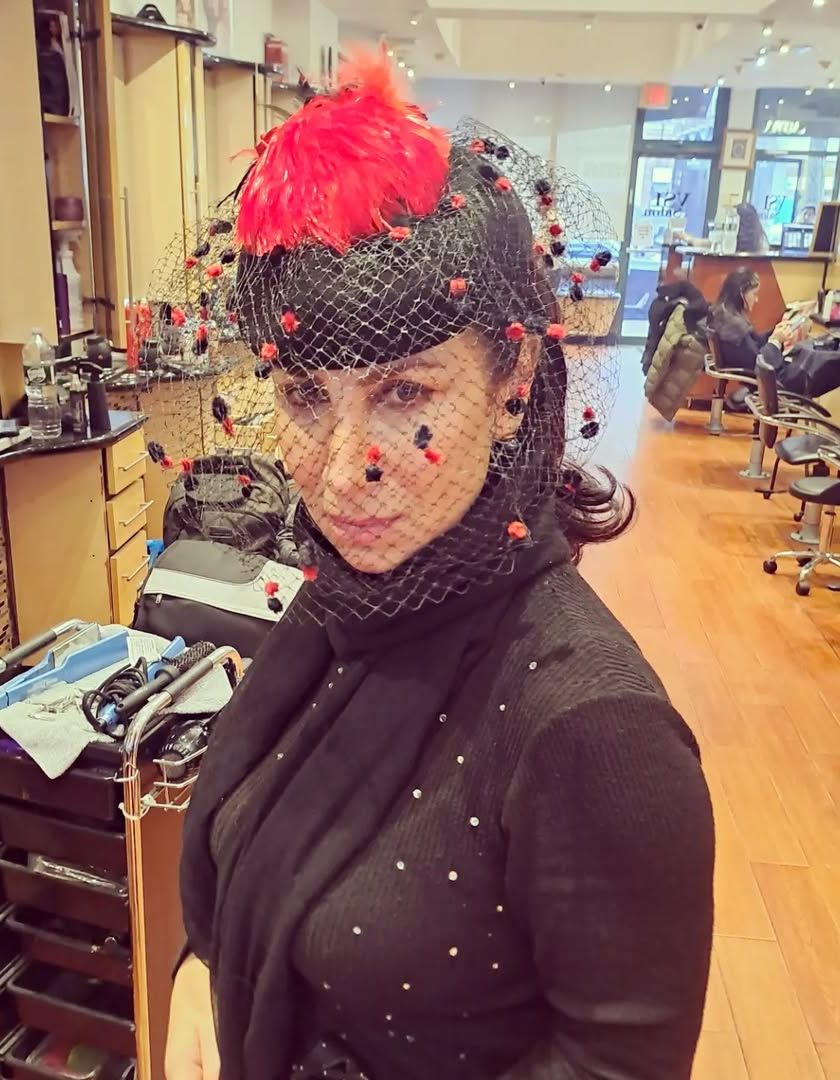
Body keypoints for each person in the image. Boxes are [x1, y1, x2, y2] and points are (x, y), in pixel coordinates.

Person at [164, 50, 714, 1080]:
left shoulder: (596, 731)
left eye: (406, 394)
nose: (342, 472)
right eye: (306, 397)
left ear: (512, 382)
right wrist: (202, 968)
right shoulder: (342, 610)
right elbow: (256, 854)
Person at [709, 266, 806, 374]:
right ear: (741, 294)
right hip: (768, 378)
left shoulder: (723, 315)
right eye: (754, 294)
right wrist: (775, 341)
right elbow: (758, 364)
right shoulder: (735, 326)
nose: (756, 300)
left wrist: (774, 333)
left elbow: (753, 342)